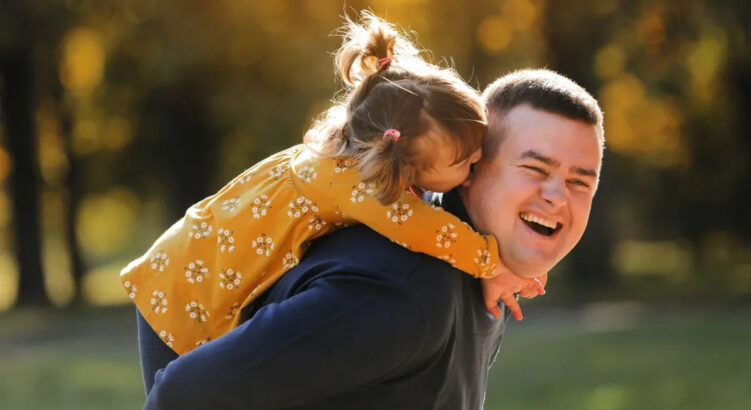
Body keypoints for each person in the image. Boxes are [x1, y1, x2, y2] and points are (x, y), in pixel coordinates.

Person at [139, 67, 604, 409]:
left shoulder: (483, 273)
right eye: (534, 169)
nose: (556, 197)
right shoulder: (400, 293)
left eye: (581, 182)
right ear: (471, 168)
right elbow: (183, 397)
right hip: (180, 294)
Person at [121, 14, 543, 356]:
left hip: (191, 254)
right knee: (184, 395)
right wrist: (495, 261)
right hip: (182, 289)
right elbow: (428, 231)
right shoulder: (357, 182)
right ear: (402, 165)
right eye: (464, 162)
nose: (476, 165)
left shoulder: (353, 142)